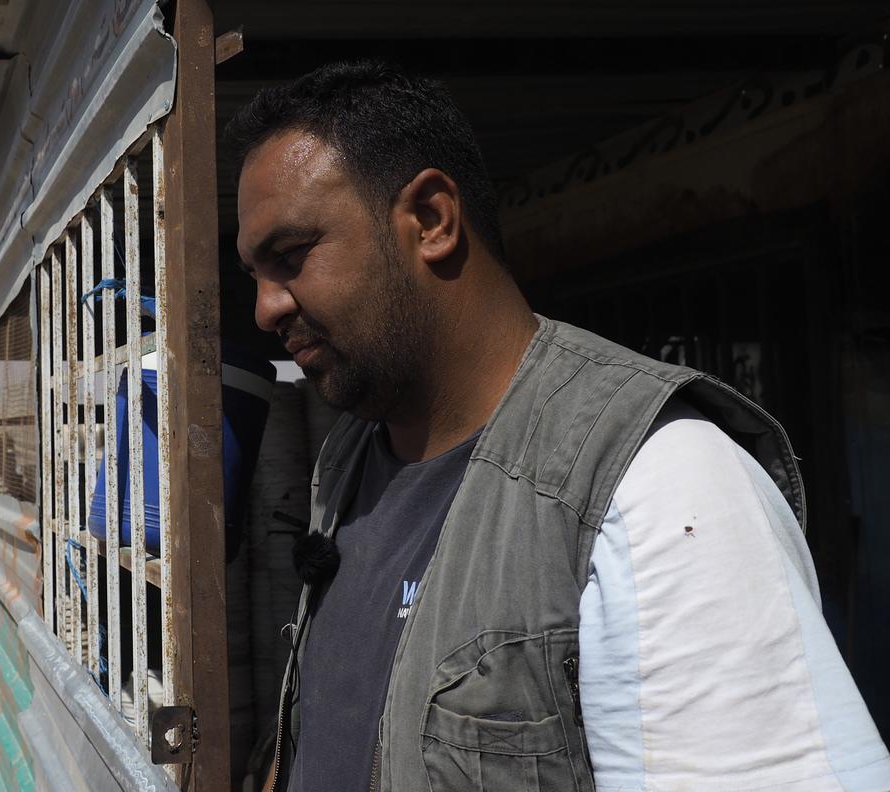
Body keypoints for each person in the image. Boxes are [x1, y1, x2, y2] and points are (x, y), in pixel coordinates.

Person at [226, 61, 890, 792]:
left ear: (431, 221)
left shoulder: (662, 482)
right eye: (255, 274)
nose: (266, 309)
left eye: (291, 258)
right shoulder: (350, 458)